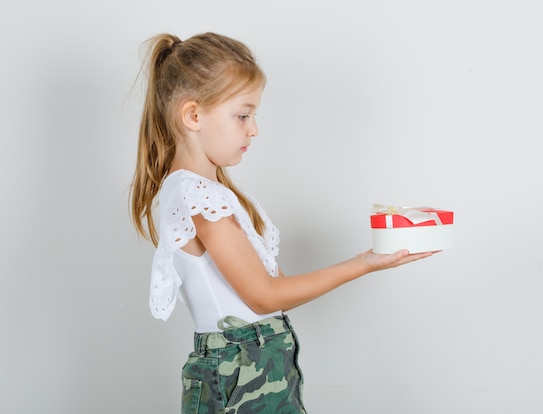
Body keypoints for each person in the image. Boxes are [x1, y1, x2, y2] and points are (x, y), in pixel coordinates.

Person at [130, 32, 438, 414]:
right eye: (242, 115)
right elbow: (264, 296)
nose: (253, 128)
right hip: (238, 373)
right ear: (193, 115)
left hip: (258, 365)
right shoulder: (196, 195)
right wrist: (365, 262)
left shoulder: (211, 192)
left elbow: (275, 291)